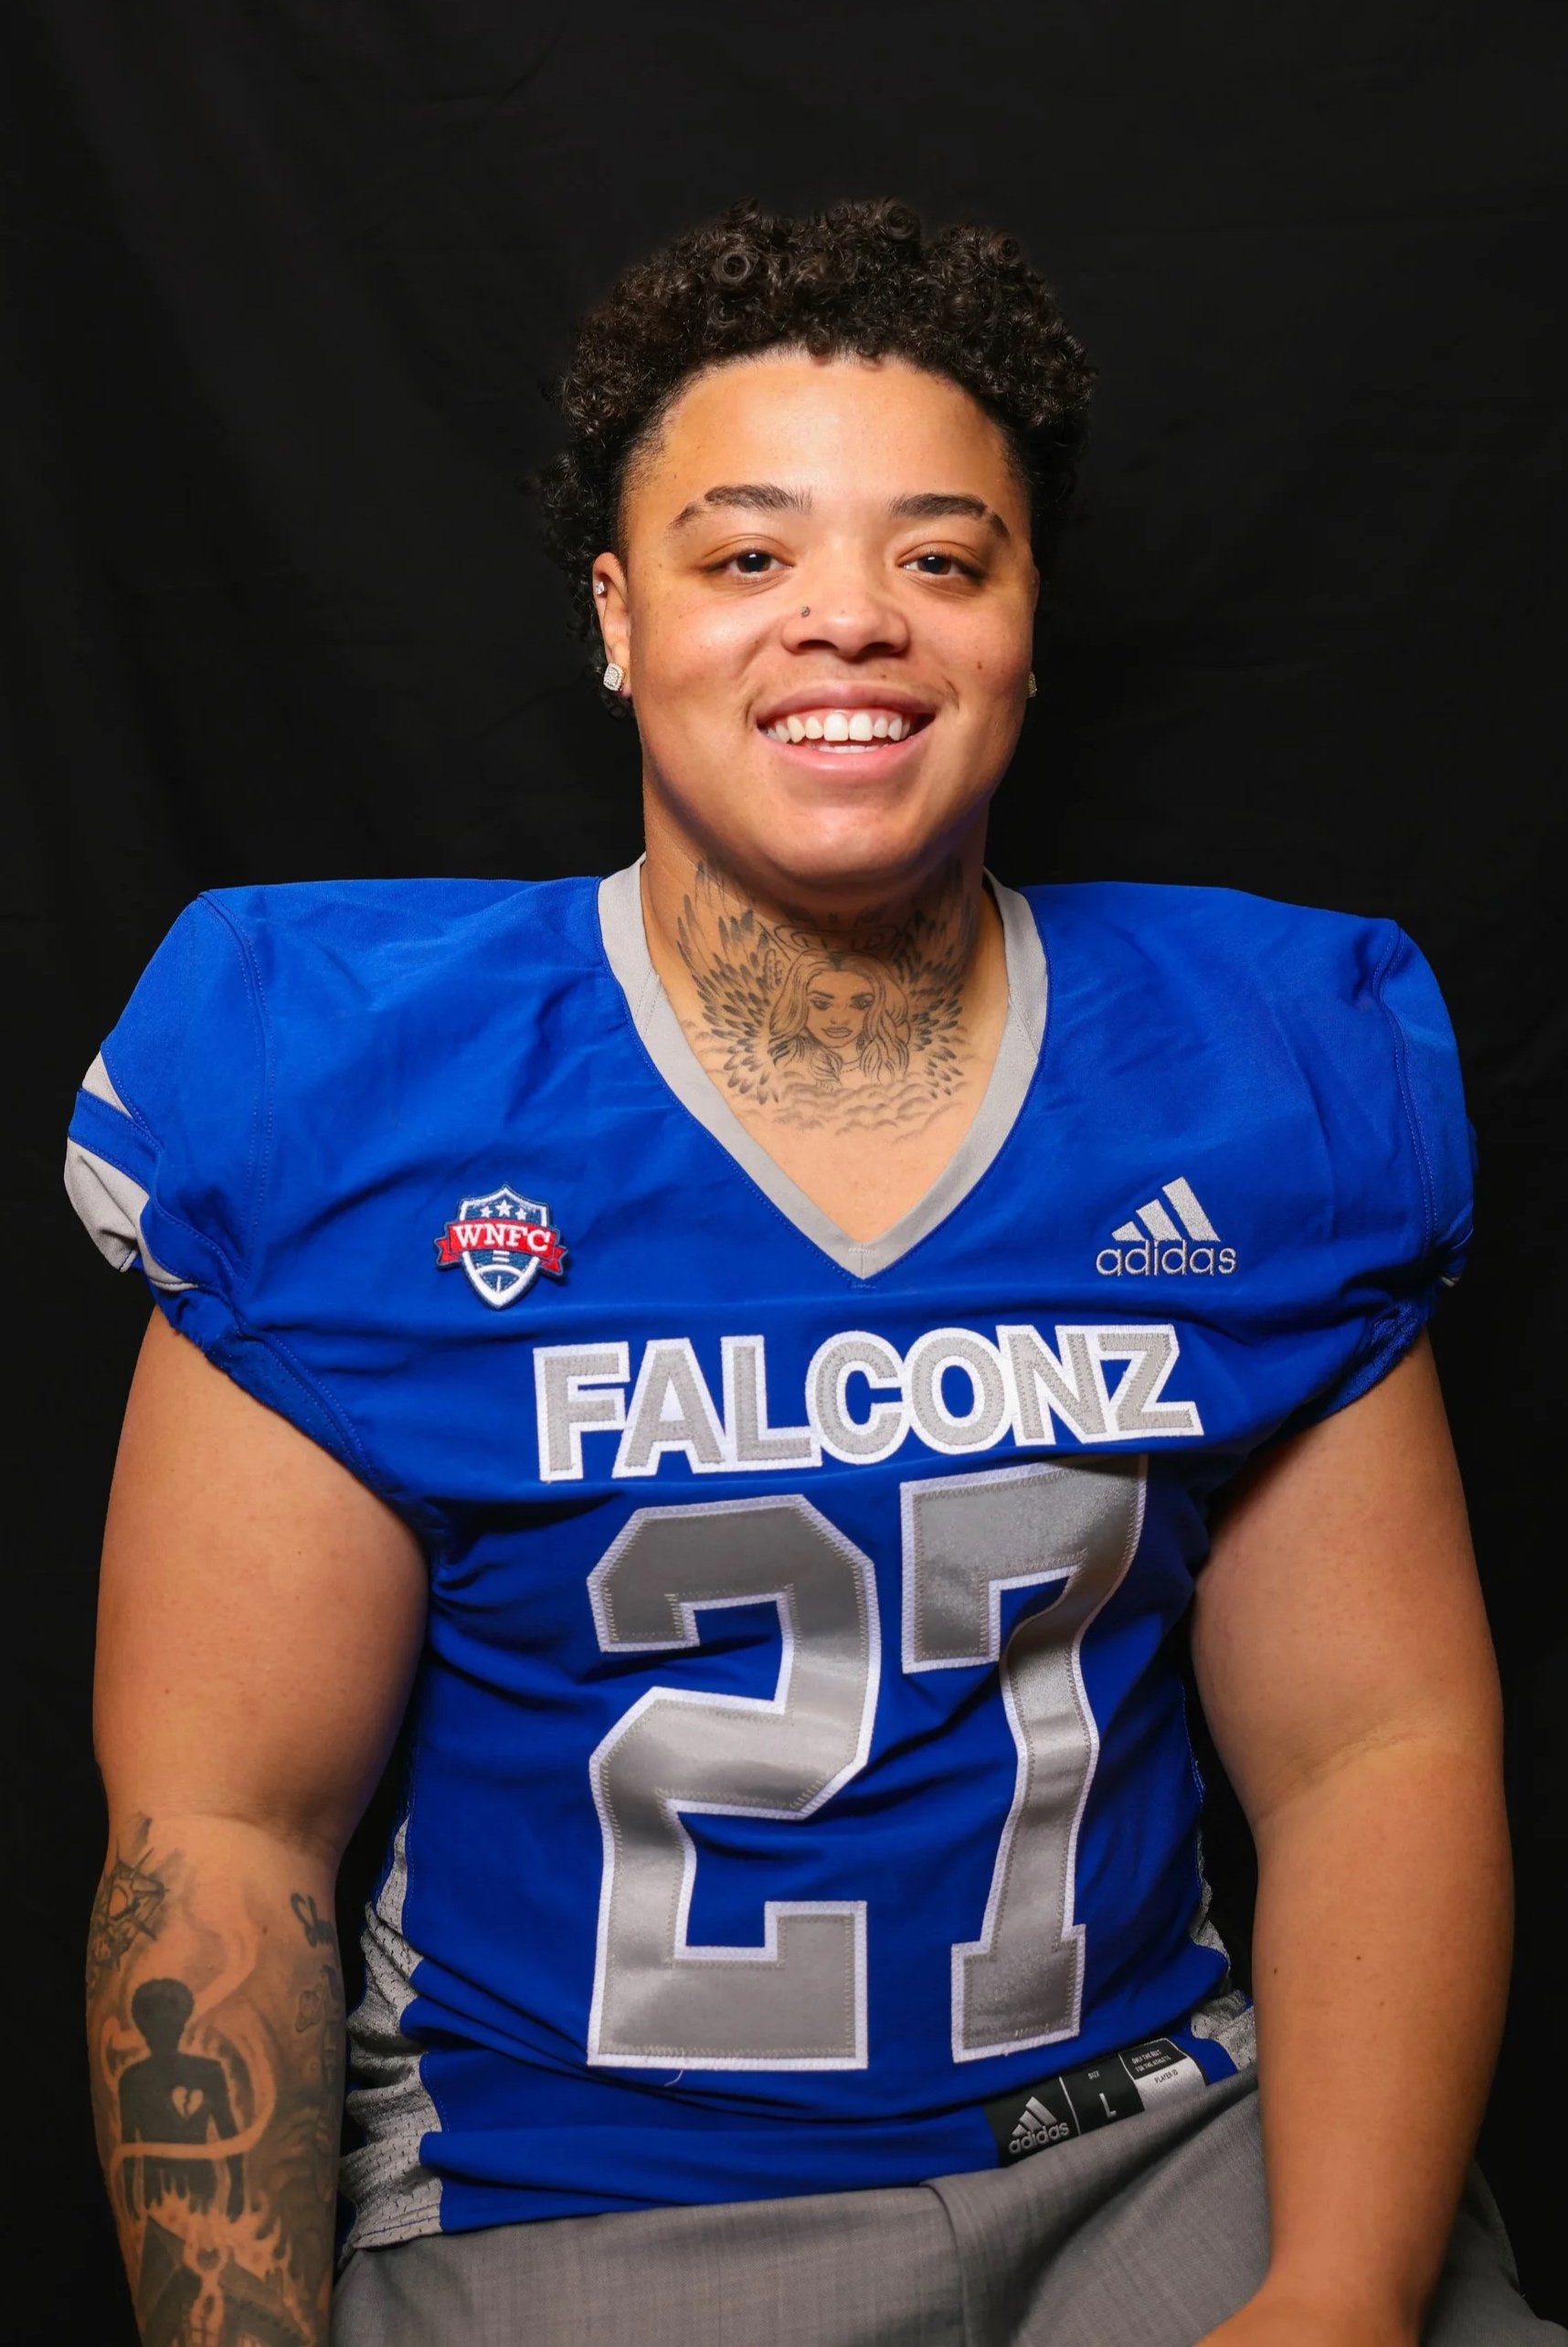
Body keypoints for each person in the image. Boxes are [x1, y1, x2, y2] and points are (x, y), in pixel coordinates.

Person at [67, 196, 1559, 2347]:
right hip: (571, 2202)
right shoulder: (352, 1079)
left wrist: (1329, 2292)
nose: (847, 622)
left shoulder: (1258, 1077)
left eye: (941, 558)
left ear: (1029, 625)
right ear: (617, 615)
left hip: (1148, 2151)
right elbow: (222, 1823)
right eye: (747, 555)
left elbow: (1375, 1745)